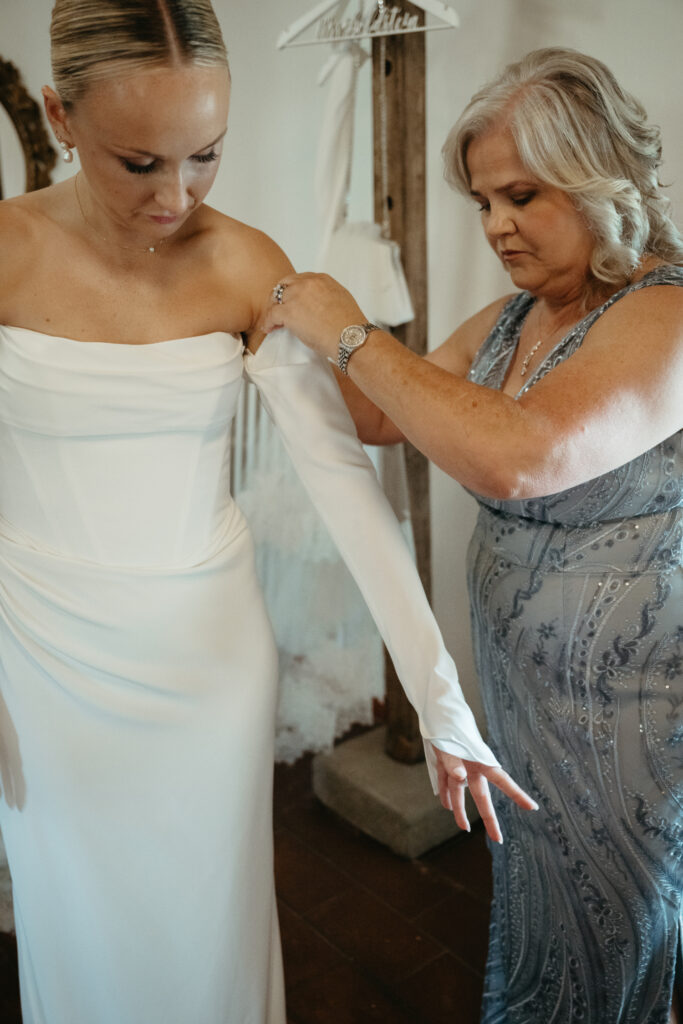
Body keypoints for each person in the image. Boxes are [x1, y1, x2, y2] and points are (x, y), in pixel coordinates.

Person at [0, 2, 537, 1022]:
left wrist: (437, 696)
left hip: (205, 660)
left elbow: (348, 488)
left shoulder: (246, 265)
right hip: (40, 655)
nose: (178, 194)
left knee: (207, 933)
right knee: (77, 930)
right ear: (59, 116)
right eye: (139, 162)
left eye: (205, 153)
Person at [262, 47, 683, 1024]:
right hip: (520, 691)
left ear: (599, 176)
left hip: (625, 717)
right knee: (537, 895)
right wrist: (267, 323)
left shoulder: (664, 314)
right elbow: (381, 416)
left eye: (520, 195)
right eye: (482, 201)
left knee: (619, 919)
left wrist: (348, 330)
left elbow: (517, 456)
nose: (493, 225)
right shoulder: (510, 318)